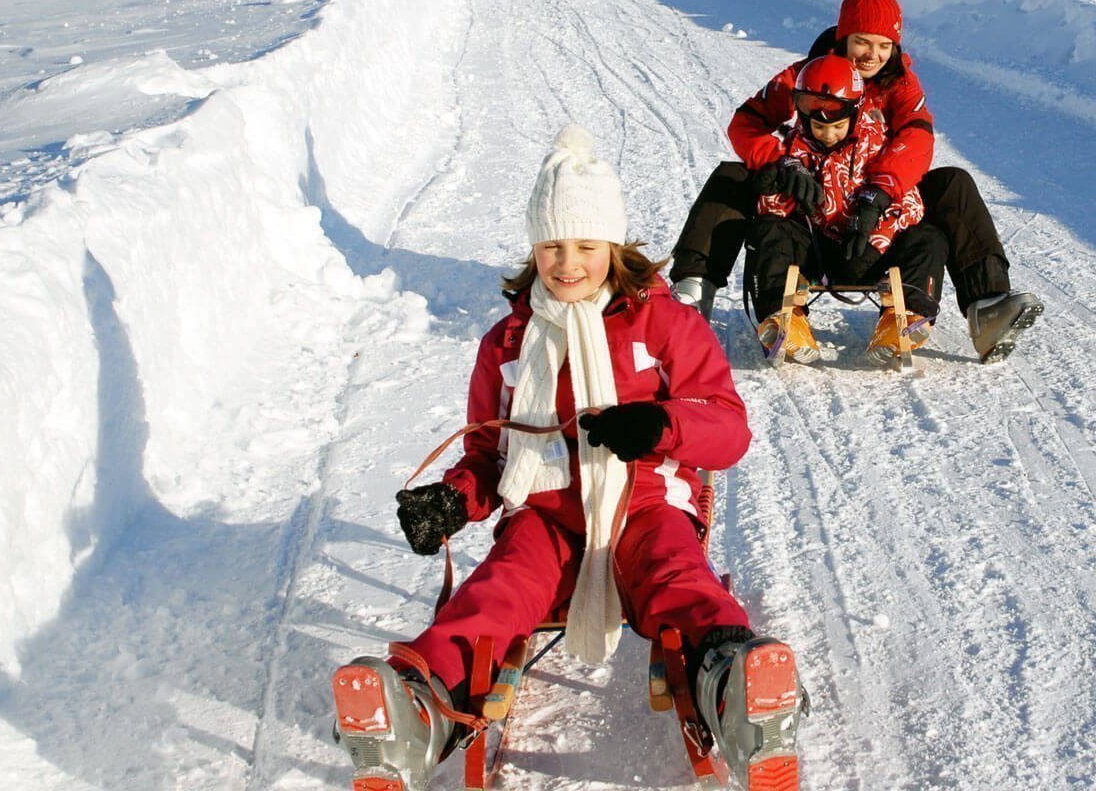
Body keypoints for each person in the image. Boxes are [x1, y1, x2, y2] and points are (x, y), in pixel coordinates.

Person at [331, 125, 802, 791]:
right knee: (496, 591)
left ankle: (736, 689)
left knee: (677, 577)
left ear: (614, 246)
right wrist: (453, 500)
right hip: (545, 514)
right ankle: (418, 704)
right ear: (533, 248)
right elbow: (488, 455)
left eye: (586, 245)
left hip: (643, 505)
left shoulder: (663, 324)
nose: (568, 262)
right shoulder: (509, 342)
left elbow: (729, 430)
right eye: (552, 245)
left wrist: (660, 425)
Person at [668, 0, 1042, 363]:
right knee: (734, 176)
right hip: (811, 208)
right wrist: (780, 163)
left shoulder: (899, 84)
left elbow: (917, 137)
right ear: (844, 36)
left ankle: (988, 304)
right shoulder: (806, 77)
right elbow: (746, 121)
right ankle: (692, 293)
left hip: (876, 203)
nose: (873, 55)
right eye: (863, 42)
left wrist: (879, 191)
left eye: (884, 45)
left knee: (953, 184)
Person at [746, 53, 946, 366]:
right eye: (817, 126)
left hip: (871, 249)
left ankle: (904, 318)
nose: (827, 135)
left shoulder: (878, 146)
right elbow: (771, 211)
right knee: (769, 229)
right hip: (815, 253)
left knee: (929, 237)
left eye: (837, 127)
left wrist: (874, 222)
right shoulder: (792, 153)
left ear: (853, 115)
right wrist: (777, 186)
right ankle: (783, 318)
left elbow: (910, 202)